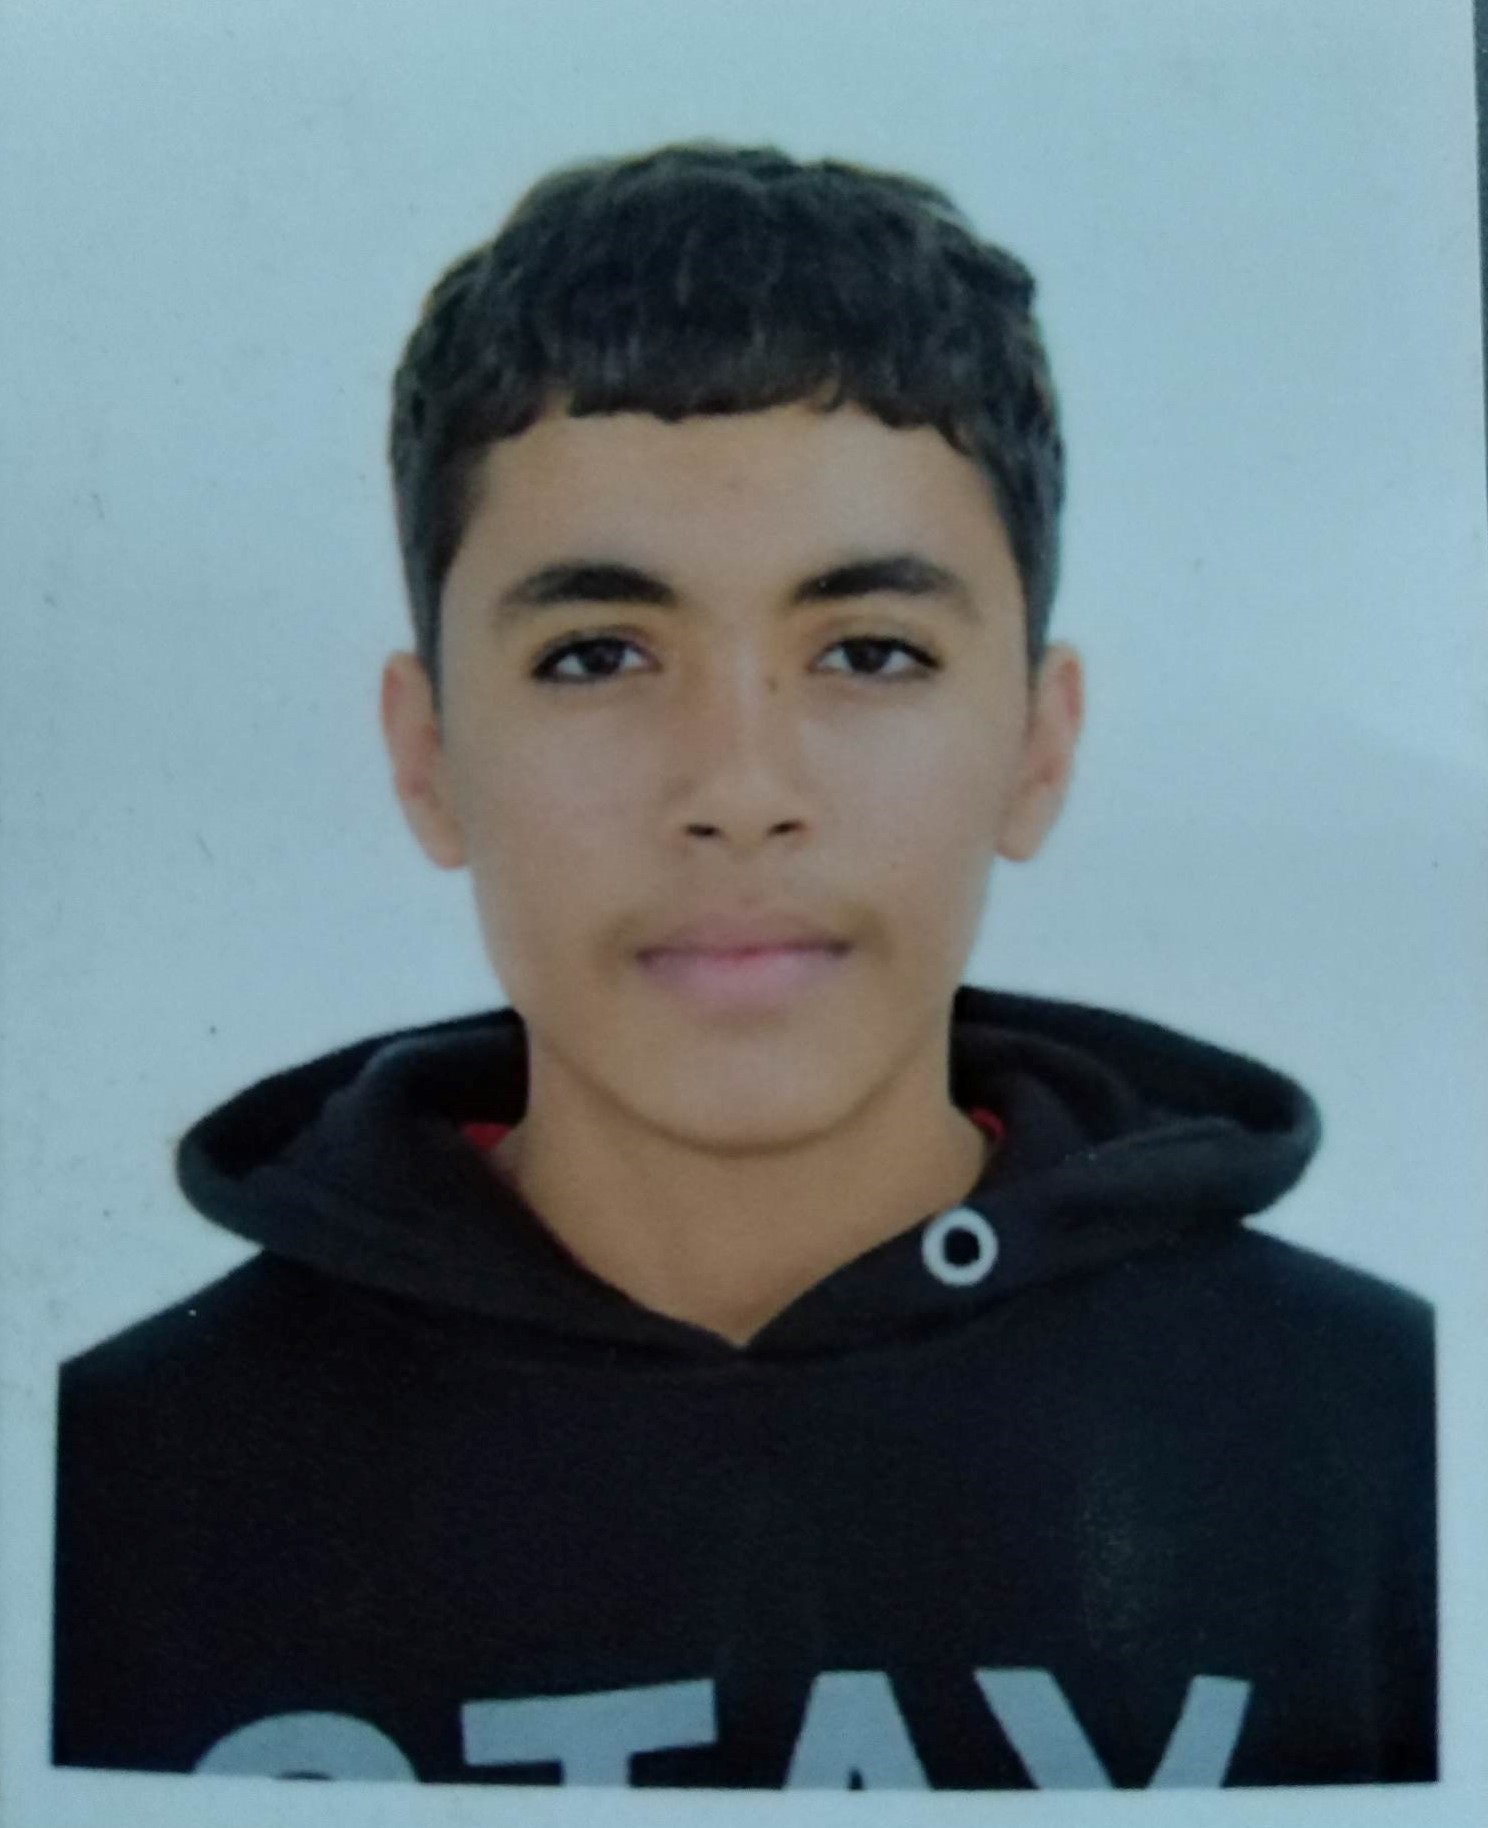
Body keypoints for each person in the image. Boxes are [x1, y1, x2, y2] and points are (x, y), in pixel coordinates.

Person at [51, 141, 1435, 1791]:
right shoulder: (94, 1491)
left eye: (870, 652)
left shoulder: (1397, 1449)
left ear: (1036, 746)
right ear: (427, 756)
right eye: (596, 655)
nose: (738, 789)